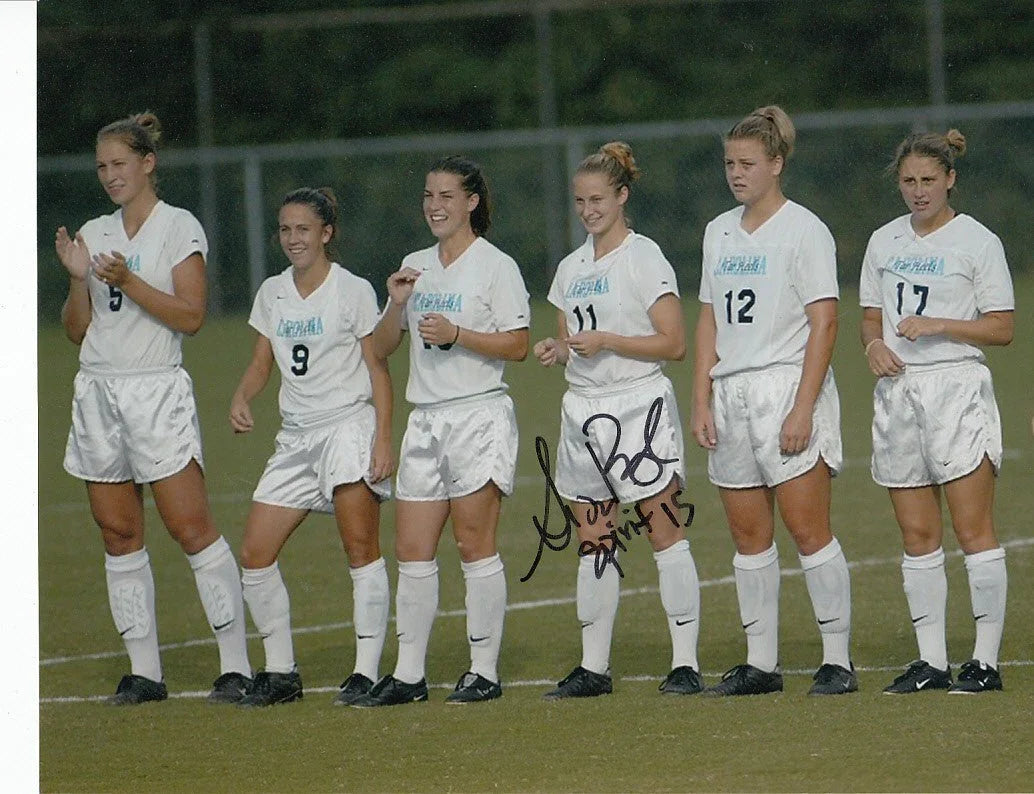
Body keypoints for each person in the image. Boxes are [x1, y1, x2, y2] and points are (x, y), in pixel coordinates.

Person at [55, 112, 252, 705]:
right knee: (118, 532)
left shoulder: (178, 226)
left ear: (148, 163)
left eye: (120, 163)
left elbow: (192, 316)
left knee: (190, 527)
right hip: (98, 393)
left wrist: (129, 281)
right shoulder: (94, 231)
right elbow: (76, 330)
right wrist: (78, 280)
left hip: (155, 391)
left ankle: (236, 666)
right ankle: (145, 673)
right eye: (101, 166)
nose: (109, 175)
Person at [691, 105, 856, 697]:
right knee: (748, 538)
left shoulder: (804, 229)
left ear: (777, 163)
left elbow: (825, 322)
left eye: (748, 163)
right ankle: (761, 664)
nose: (736, 174)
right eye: (729, 163)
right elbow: (708, 319)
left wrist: (803, 407)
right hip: (731, 392)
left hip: (785, 386)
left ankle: (837, 661)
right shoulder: (718, 230)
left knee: (809, 530)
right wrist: (701, 398)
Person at [353, 155, 529, 707]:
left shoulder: (496, 266)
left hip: (478, 415)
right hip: (425, 419)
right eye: (429, 195)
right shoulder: (415, 265)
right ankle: (409, 676)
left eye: (447, 196)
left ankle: (483, 671)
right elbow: (381, 348)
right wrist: (395, 304)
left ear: (471, 202)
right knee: (411, 549)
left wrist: (459, 334)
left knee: (473, 544)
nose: (435, 205)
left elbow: (518, 344)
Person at [533, 142, 701, 699]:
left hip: (638, 405)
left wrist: (607, 340)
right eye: (580, 201)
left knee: (663, 531)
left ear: (622, 196)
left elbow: (674, 343)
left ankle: (685, 663)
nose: (588, 210)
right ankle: (594, 667)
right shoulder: (570, 268)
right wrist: (560, 349)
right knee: (594, 538)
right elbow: (572, 338)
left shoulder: (643, 257)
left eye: (598, 199)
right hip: (584, 410)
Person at [860, 130, 1014, 694]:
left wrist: (939, 325)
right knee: (917, 533)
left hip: (956, 389)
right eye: (908, 181)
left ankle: (985, 662)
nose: (918, 190)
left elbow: (1002, 327)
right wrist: (873, 347)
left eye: (928, 179)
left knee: (973, 530)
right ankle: (931, 662)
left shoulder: (977, 241)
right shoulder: (883, 241)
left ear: (950, 179)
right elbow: (870, 317)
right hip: (898, 394)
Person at [228, 187, 394, 708]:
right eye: (285, 229)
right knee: (255, 554)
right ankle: (281, 673)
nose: (293, 238)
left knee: (360, 551)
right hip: (295, 437)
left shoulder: (352, 290)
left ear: (326, 233)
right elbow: (262, 363)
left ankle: (365, 672)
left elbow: (378, 369)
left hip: (347, 428)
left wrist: (382, 439)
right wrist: (242, 395)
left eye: (303, 229)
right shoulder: (272, 292)